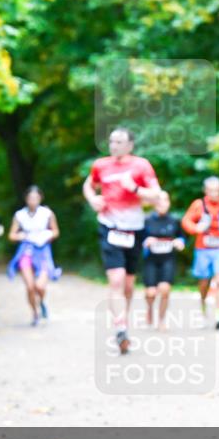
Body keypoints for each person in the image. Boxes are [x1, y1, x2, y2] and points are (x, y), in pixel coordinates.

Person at [82, 127, 161, 353]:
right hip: (109, 226)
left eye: (119, 142)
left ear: (130, 145)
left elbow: (157, 194)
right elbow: (88, 184)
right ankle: (121, 328)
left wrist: (135, 188)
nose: (113, 145)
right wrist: (92, 199)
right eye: (111, 141)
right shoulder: (101, 165)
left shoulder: (141, 165)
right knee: (116, 280)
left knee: (127, 284)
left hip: (134, 228)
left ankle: (122, 321)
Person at [181, 176, 219, 330]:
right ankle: (202, 310)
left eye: (217, 190)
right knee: (204, 283)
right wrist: (195, 229)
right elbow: (186, 221)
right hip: (203, 248)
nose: (214, 193)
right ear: (205, 191)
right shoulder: (198, 205)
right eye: (211, 190)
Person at [7, 186, 61, 326]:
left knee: (40, 286)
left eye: (36, 198)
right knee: (30, 286)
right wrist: (22, 236)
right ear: (26, 199)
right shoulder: (20, 215)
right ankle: (35, 313)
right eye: (30, 198)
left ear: (40, 198)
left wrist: (46, 235)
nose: (33, 201)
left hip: (42, 251)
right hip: (26, 251)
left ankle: (41, 301)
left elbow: (55, 232)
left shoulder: (47, 213)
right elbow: (11, 235)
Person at [142, 191, 185, 330]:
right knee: (151, 293)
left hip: (168, 259)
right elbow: (138, 240)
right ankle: (149, 309)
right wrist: (145, 242)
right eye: (159, 201)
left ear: (169, 203)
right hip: (151, 260)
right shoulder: (146, 220)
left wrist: (180, 242)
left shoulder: (175, 220)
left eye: (165, 200)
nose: (162, 203)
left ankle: (161, 320)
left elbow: (182, 237)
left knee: (165, 290)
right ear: (154, 203)